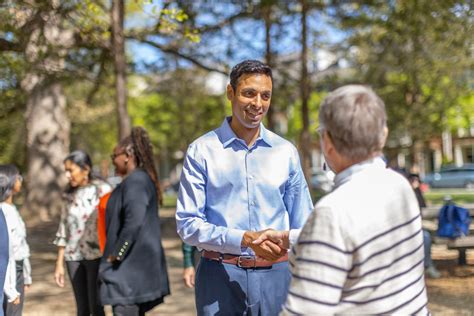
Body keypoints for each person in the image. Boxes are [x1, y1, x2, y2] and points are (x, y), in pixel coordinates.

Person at [255, 85, 429, 314]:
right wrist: (289, 237)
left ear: (327, 141)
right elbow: (358, 233)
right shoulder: (399, 185)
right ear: (383, 135)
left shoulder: (332, 212)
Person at [175, 60, 313, 315]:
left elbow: (304, 224)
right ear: (230, 93)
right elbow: (187, 224)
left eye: (265, 95)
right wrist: (243, 239)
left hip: (278, 277)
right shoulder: (202, 151)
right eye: (249, 93)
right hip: (219, 278)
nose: (257, 103)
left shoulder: (286, 152)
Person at [99, 127, 170, 316]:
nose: (113, 160)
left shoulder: (136, 181)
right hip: (132, 275)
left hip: (129, 275)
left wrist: (117, 253)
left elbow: (134, 221)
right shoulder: (135, 180)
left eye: (114, 155)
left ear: (127, 155)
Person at [54, 151, 111, 316]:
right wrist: (59, 263)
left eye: (70, 170)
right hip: (73, 257)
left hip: (97, 255)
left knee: (97, 306)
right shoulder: (68, 195)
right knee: (82, 308)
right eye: (65, 170)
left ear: (85, 169)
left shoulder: (103, 190)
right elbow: (63, 228)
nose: (67, 175)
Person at [0, 165, 31, 316]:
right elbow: (7, 252)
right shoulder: (4, 212)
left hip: (17, 271)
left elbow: (21, 245)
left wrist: (26, 274)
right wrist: (10, 289)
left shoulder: (12, 209)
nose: (20, 180)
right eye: (18, 176)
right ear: (9, 181)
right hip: (9, 275)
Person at [408, 173, 441, 279]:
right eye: (412, 180)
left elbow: (423, 206)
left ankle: (428, 265)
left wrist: (416, 190)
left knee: (425, 237)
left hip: (415, 228)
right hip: (402, 230)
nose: (415, 182)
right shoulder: (402, 193)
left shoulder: (416, 192)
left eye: (417, 180)